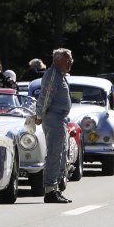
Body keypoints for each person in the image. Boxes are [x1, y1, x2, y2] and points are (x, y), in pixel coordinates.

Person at [37, 47, 74, 204]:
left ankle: (56, 188)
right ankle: (50, 191)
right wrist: (39, 115)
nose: (70, 62)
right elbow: (46, 96)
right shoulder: (53, 74)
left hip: (60, 119)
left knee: (61, 154)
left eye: (71, 59)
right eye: (67, 59)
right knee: (54, 154)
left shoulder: (61, 75)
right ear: (57, 60)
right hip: (53, 118)